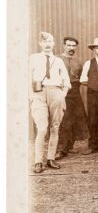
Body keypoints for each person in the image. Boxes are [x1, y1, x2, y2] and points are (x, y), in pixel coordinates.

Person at [29, 31, 71, 173]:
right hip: (39, 93)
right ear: (40, 43)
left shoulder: (58, 61)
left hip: (55, 92)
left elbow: (66, 81)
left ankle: (51, 158)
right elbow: (27, 79)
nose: (47, 44)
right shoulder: (33, 58)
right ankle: (37, 161)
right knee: (41, 128)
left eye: (50, 41)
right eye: (44, 41)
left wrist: (61, 96)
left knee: (55, 127)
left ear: (53, 44)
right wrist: (31, 97)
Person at [56, 36, 88, 159]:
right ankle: (62, 149)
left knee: (77, 118)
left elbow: (82, 78)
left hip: (75, 91)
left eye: (73, 46)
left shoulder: (79, 61)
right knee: (64, 120)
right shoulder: (58, 59)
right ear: (64, 45)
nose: (71, 48)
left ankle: (70, 146)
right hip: (62, 91)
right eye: (69, 45)